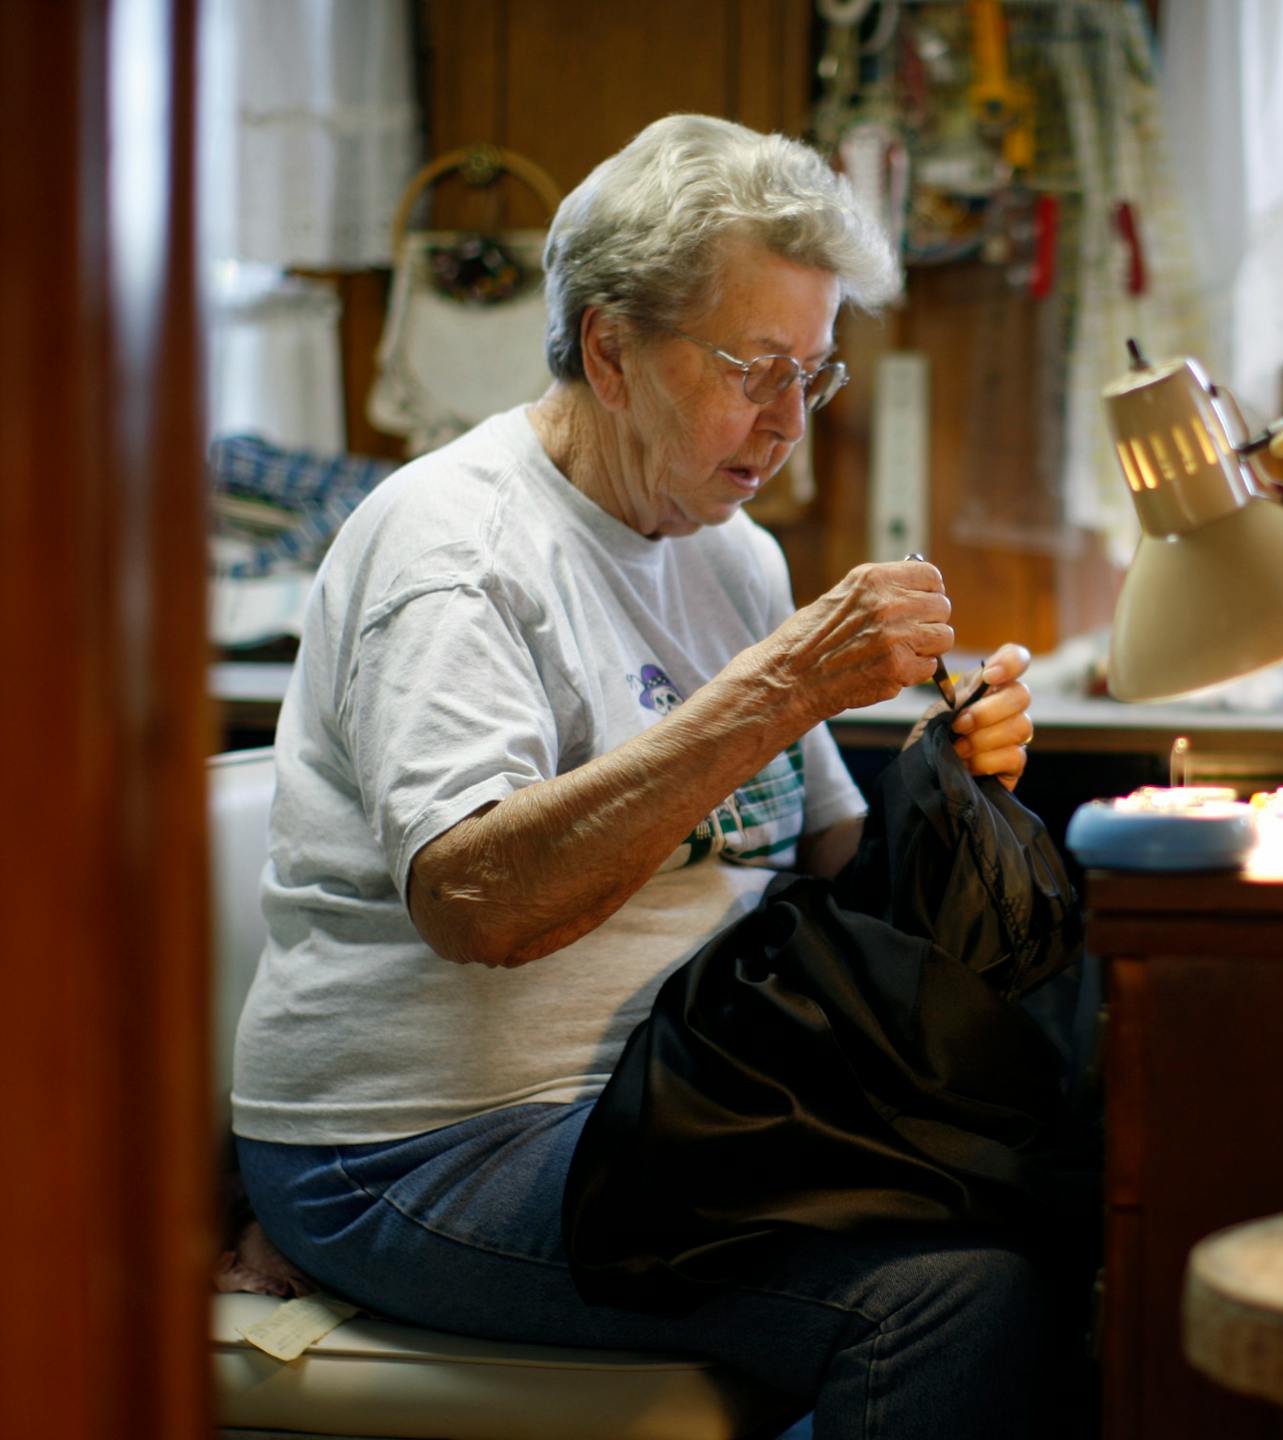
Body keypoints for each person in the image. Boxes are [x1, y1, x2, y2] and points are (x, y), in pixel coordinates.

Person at [232, 114, 1048, 1440]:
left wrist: (950, 769)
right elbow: (477, 906)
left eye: (816, 377)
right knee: (954, 1297)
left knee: (1050, 1135)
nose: (788, 423)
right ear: (610, 349)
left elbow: (831, 868)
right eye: (757, 370)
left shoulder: (727, 549)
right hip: (417, 1143)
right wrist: (781, 688)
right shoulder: (457, 551)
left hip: (670, 1105)